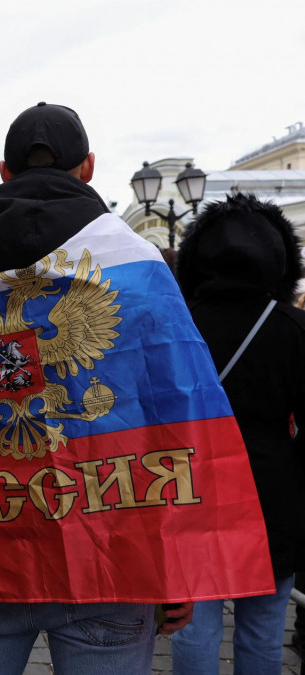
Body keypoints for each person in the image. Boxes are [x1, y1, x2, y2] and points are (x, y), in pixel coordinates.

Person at [0, 103, 281, 675]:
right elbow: (181, 415)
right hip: (108, 550)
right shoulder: (136, 261)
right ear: (88, 169)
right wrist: (178, 563)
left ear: (4, 173)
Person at [170, 193, 305, 674]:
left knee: (195, 627)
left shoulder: (176, 325)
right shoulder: (293, 328)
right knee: (263, 632)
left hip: (189, 486)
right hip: (274, 491)